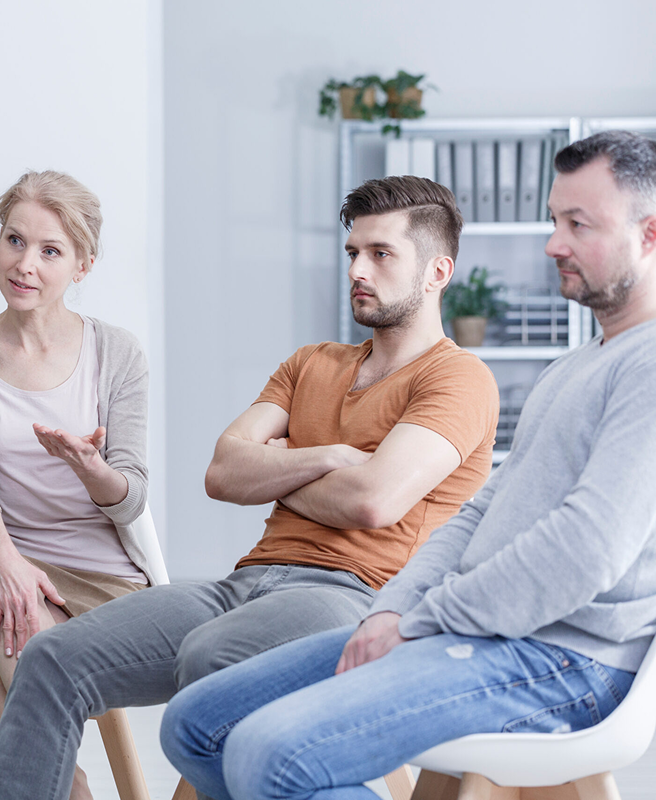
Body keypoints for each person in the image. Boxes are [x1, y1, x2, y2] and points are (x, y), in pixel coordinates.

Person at [159, 130, 656, 800]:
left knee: (266, 752)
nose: (552, 244)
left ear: (648, 235)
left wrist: (425, 619)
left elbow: (585, 550)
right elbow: (481, 511)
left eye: (578, 224)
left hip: (563, 658)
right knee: (196, 724)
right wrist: (390, 610)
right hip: (486, 630)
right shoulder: (576, 365)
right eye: (552, 220)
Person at [0, 175, 500, 800]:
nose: (358, 269)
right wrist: (331, 458)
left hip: (353, 599)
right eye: (352, 252)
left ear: (438, 271)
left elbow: (373, 500)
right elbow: (223, 472)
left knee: (211, 656)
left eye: (381, 254)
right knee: (51, 660)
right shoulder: (312, 363)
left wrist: (279, 472)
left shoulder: (459, 378)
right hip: (246, 583)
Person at [0, 170, 154, 797]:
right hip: (0, 567)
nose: (25, 264)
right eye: (14, 241)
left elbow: (132, 495)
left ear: (83, 264)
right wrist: (5, 562)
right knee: (25, 624)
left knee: (26, 650)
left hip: (106, 577)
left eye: (50, 251)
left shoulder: (119, 354)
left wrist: (93, 472)